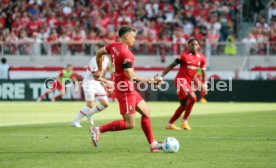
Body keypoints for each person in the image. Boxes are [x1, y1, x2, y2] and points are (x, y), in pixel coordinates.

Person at [90, 25, 164, 152]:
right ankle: (97, 129)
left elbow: (99, 53)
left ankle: (153, 144)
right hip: (125, 90)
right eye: (133, 37)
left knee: (146, 112)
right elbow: (130, 76)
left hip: (127, 88)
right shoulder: (126, 54)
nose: (135, 40)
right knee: (129, 124)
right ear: (126, 36)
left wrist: (100, 70)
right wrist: (151, 80)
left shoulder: (113, 46)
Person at [160, 39, 207, 130]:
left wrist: (204, 84)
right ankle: (184, 121)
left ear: (199, 46)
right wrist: (162, 76)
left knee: (183, 105)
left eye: (195, 44)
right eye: (192, 44)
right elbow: (171, 66)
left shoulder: (202, 58)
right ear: (188, 45)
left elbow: (204, 73)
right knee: (193, 97)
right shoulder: (184, 56)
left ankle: (169, 124)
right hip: (180, 81)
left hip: (187, 83)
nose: (194, 46)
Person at [71, 55, 111, 128]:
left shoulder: (106, 60)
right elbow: (95, 77)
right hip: (88, 82)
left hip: (97, 83)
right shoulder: (94, 61)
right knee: (90, 105)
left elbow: (102, 73)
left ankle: (89, 114)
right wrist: (107, 81)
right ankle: (75, 121)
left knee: (105, 104)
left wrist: (104, 83)